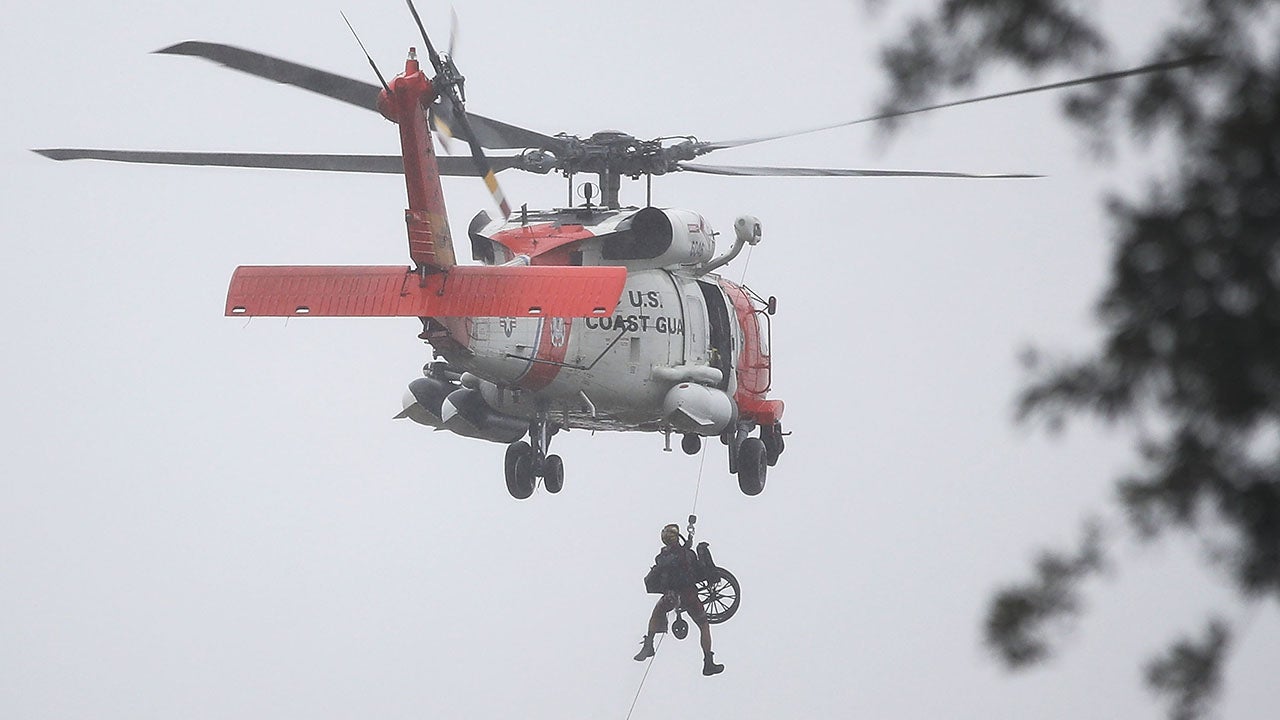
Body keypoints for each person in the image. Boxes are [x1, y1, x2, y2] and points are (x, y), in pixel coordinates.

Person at [633, 523, 724, 676]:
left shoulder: (661, 558)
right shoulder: (687, 554)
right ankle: (708, 662)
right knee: (703, 625)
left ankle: (649, 644)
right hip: (689, 595)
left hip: (671, 596)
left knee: (656, 613)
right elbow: (697, 569)